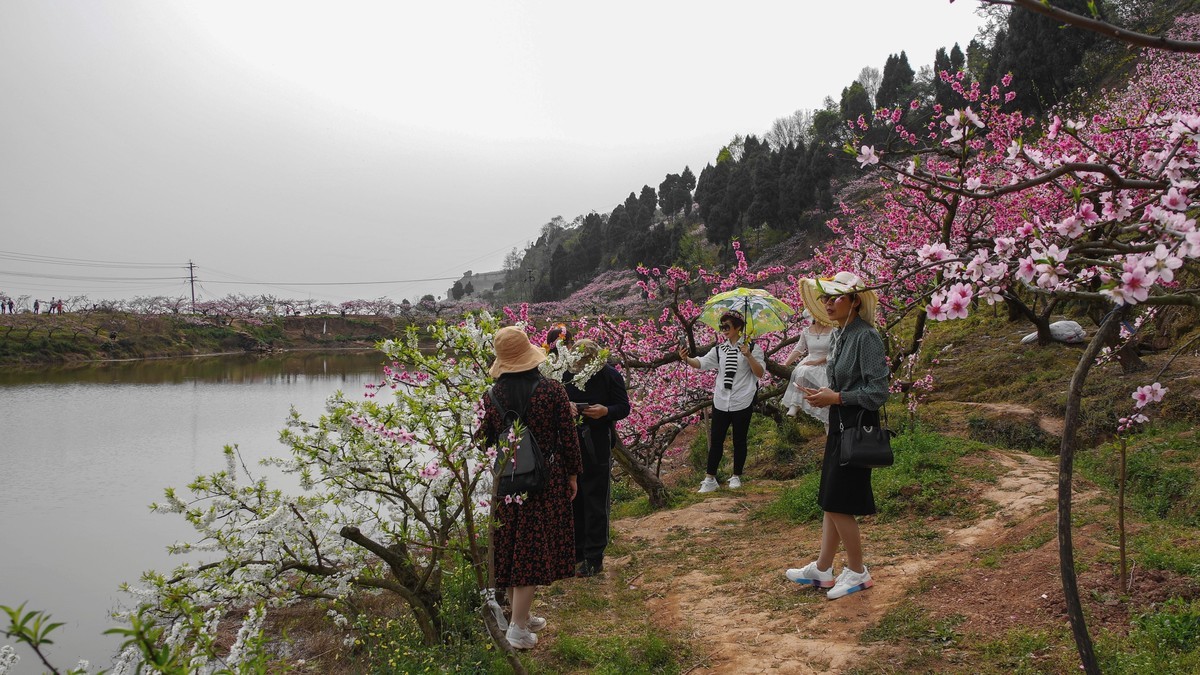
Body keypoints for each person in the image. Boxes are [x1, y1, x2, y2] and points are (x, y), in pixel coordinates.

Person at [785, 272, 890, 600]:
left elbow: (878, 390)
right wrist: (827, 394)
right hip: (840, 422)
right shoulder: (841, 334)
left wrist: (838, 398)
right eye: (825, 298)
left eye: (835, 298)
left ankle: (858, 571)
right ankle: (823, 568)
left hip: (857, 424)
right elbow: (844, 381)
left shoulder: (865, 336)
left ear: (855, 300)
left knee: (839, 499)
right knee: (830, 497)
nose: (828, 304)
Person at [480, 326, 582, 649]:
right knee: (532, 550)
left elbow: (483, 441)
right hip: (544, 481)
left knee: (513, 546)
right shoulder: (552, 391)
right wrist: (573, 474)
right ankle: (518, 629)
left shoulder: (492, 396)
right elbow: (568, 437)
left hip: (507, 481)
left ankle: (518, 615)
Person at [677, 309, 765, 493]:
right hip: (721, 400)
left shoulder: (753, 348)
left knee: (739, 440)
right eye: (721, 326)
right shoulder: (719, 349)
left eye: (727, 326)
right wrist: (687, 359)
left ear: (739, 327)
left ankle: (736, 475)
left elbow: (760, 373)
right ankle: (710, 478)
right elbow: (701, 363)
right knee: (716, 439)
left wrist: (748, 355)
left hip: (742, 399)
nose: (723, 330)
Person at [562, 338, 630, 578]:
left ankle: (594, 556)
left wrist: (605, 411)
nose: (580, 365)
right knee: (574, 499)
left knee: (595, 499)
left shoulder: (610, 375)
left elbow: (623, 407)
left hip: (597, 442)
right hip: (571, 442)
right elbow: (557, 401)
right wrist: (567, 406)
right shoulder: (565, 374)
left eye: (585, 362)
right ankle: (576, 551)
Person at [779, 309, 835, 425]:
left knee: (827, 398)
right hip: (810, 362)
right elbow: (799, 349)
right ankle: (795, 404)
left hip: (826, 363)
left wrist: (817, 362)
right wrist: (786, 363)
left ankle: (830, 425)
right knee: (801, 371)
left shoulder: (833, 331)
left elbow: (833, 352)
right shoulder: (806, 331)